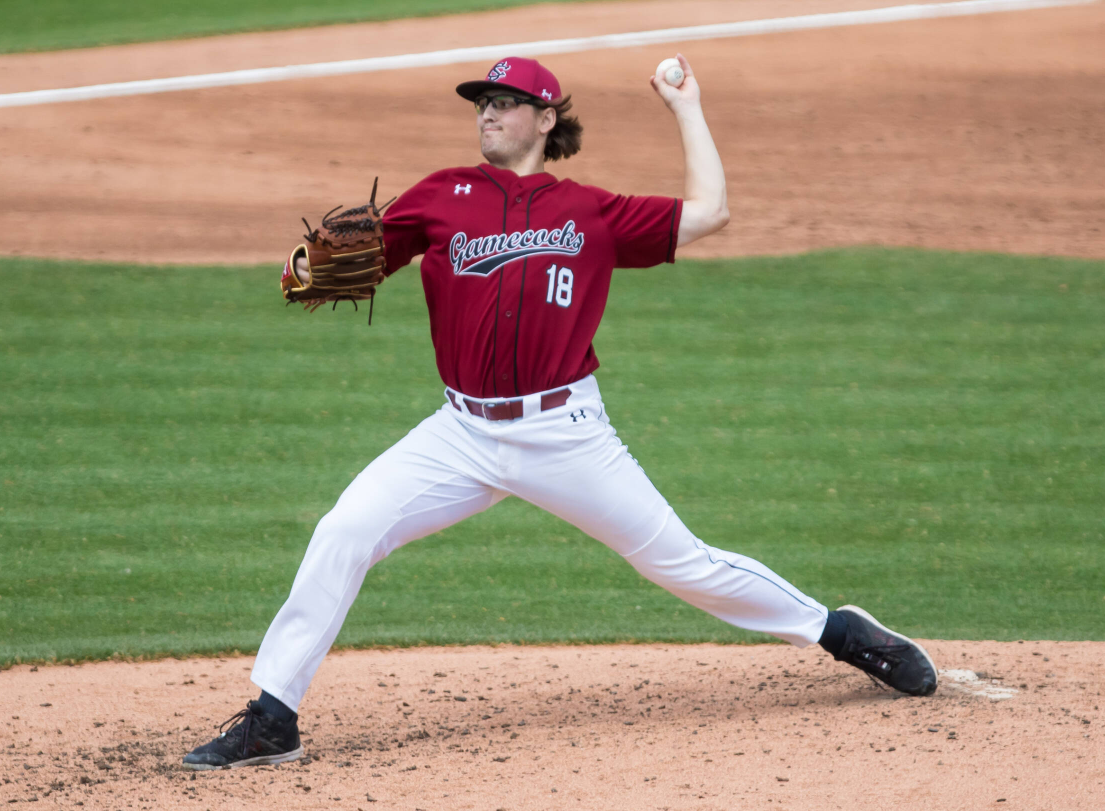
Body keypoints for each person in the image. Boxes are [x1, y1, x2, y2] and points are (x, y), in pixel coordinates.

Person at [181, 54, 937, 771]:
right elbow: (352, 258)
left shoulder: (591, 211)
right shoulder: (442, 194)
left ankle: (840, 632)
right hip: (461, 432)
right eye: (483, 103)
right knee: (344, 529)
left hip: (564, 432)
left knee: (681, 563)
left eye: (505, 103)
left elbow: (712, 212)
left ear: (546, 119)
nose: (489, 114)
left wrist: (687, 105)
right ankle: (274, 717)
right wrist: (305, 267)